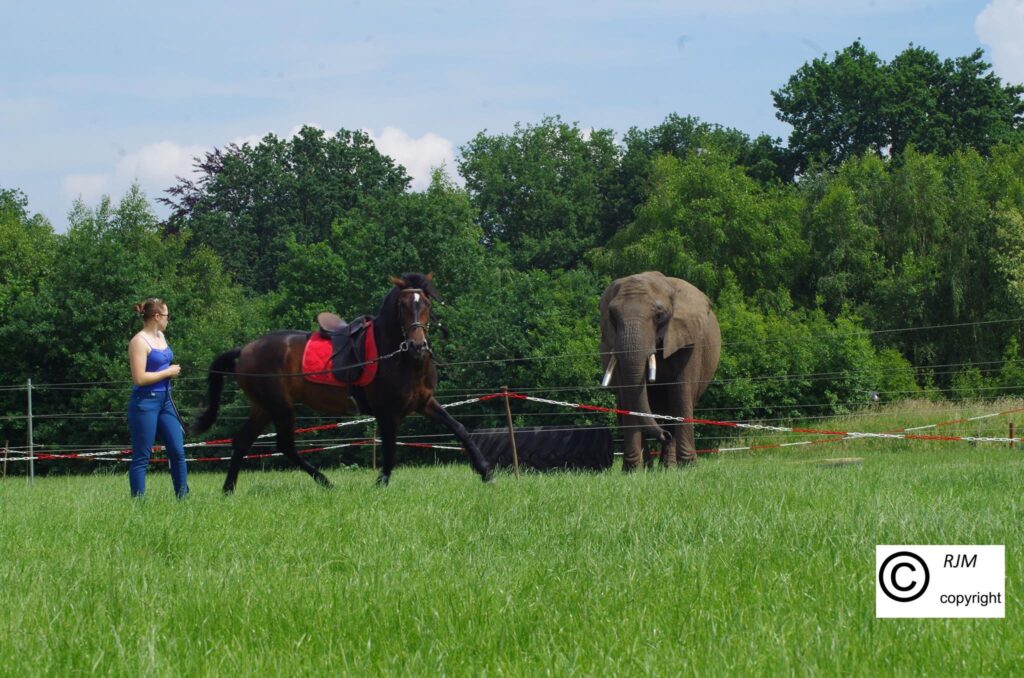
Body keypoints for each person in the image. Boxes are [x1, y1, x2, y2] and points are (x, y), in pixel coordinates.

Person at [127, 298, 188, 498]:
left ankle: (183, 498)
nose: (168, 320)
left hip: (166, 401)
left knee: (177, 451)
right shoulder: (138, 342)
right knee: (142, 456)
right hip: (145, 402)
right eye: (167, 316)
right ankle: (139, 503)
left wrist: (168, 371)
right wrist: (168, 372)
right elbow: (140, 378)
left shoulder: (161, 336)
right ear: (156, 316)